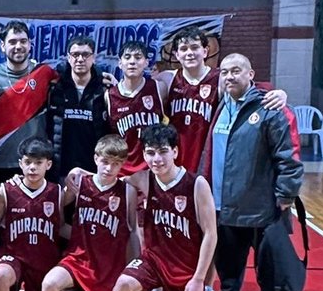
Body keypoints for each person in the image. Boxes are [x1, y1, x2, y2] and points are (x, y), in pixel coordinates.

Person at [88, 123, 218, 291]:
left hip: (185, 269)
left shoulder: (196, 184)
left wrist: (200, 280)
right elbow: (107, 178)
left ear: (175, 152)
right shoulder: (143, 179)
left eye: (162, 151)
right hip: (154, 260)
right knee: (124, 283)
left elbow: (211, 235)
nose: (156, 159)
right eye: (150, 153)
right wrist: (79, 172)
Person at [202, 53, 304, 291]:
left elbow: (289, 157)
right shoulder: (221, 106)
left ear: (251, 75)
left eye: (236, 71)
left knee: (270, 266)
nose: (229, 76)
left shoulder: (270, 108)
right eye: (224, 72)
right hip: (225, 202)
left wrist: (286, 193)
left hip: (262, 205)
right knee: (228, 261)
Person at [37, 135, 138, 291]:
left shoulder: (128, 192)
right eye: (105, 161)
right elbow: (56, 208)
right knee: (49, 284)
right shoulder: (80, 183)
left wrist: (133, 270)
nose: (109, 168)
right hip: (79, 259)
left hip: (109, 267)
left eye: (115, 163)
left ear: (122, 165)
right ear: (96, 158)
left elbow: (132, 232)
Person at [154, 27, 290, 173]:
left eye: (194, 47)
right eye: (184, 49)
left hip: (208, 154)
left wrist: (278, 93)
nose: (189, 53)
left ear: (205, 51)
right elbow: (138, 90)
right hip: (177, 155)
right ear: (176, 54)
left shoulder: (220, 77)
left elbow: (249, 88)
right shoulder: (167, 79)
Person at [0, 139, 61, 291]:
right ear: (20, 163)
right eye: (28, 162)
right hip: (14, 258)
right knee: (0, 275)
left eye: (38, 163)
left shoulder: (57, 193)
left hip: (42, 263)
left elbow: (62, 228)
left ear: (48, 164)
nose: (32, 167)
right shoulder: (6, 190)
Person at [0, 20, 58, 188]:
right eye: (12, 42)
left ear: (30, 45)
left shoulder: (44, 73)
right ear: (2, 46)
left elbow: (74, 79)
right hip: (0, 161)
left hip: (36, 162)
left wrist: (99, 76)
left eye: (23, 41)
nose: (18, 46)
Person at [45, 33, 110, 182]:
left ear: (93, 58)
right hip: (60, 169)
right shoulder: (55, 88)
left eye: (85, 54)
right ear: (68, 58)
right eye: (75, 54)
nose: (80, 59)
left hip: (94, 169)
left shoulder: (105, 90)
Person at [105, 40, 166, 175]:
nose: (132, 62)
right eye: (127, 57)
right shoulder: (109, 95)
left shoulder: (159, 88)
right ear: (120, 63)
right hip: (123, 170)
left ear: (146, 62)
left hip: (154, 167)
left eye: (138, 57)